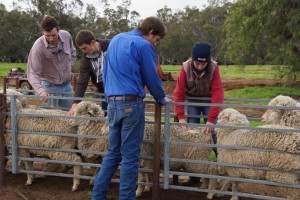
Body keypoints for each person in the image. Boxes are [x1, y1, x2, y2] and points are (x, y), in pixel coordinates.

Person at [92, 16, 171, 200]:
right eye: (156, 40)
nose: (155, 44)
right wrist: (161, 98)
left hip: (112, 103)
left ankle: (97, 196)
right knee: (129, 157)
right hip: (131, 104)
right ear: (151, 32)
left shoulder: (116, 40)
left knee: (113, 153)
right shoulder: (144, 46)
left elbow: (105, 71)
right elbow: (151, 76)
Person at [173, 42, 224, 186]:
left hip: (209, 101)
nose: (200, 66)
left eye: (203, 64)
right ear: (193, 60)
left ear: (208, 62)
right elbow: (179, 93)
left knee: (213, 132)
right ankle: (194, 176)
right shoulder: (185, 67)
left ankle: (222, 169)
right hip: (193, 101)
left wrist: (210, 119)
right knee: (192, 133)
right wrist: (181, 118)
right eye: (197, 63)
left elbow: (218, 92)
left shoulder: (213, 67)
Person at [27, 15, 76, 110]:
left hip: (67, 85)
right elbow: (32, 73)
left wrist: (69, 67)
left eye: (53, 35)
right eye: (47, 36)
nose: (51, 38)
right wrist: (41, 91)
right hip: (49, 85)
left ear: (58, 30)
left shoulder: (66, 36)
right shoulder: (38, 48)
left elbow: (73, 51)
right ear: (43, 32)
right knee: (50, 119)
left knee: (70, 114)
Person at [67, 30, 110, 116]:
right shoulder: (86, 59)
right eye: (81, 49)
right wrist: (75, 103)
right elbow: (82, 81)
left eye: (84, 48)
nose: (83, 51)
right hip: (105, 92)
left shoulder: (110, 45)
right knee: (107, 118)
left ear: (93, 42)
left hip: (120, 89)